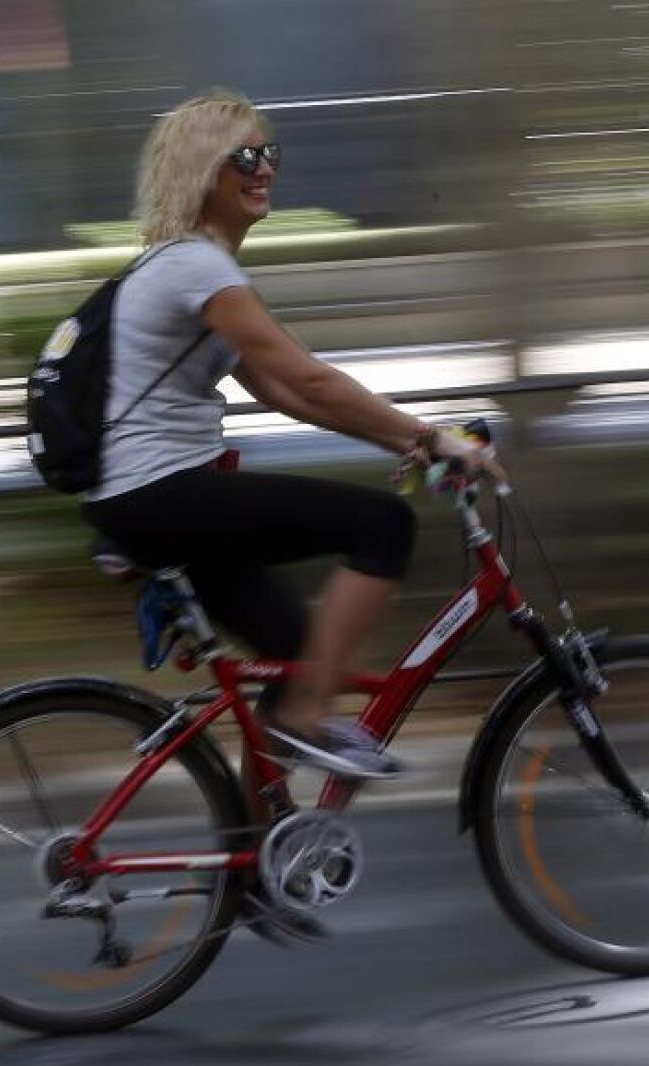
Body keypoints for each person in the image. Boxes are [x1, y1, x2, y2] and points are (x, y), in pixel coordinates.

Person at [80, 88, 492, 787]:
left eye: (269, 152)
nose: (264, 166)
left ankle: (252, 872)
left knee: (297, 650)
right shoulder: (196, 268)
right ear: (200, 170)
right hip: (161, 492)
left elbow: (281, 394)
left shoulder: (191, 267)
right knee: (382, 524)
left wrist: (408, 445)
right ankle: (307, 716)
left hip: (149, 497)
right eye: (244, 154)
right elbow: (308, 381)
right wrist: (431, 437)